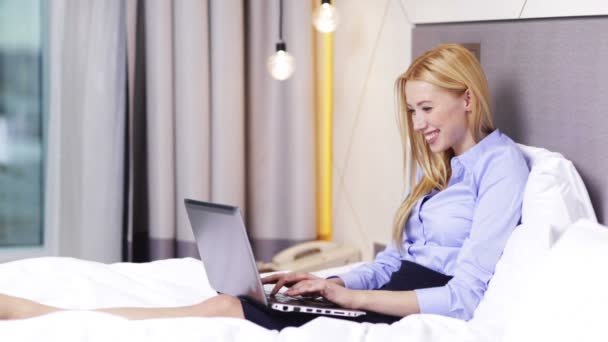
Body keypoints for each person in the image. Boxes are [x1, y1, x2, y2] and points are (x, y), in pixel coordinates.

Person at [0, 44, 528, 329]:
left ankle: (44, 316)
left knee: (224, 310)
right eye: (412, 110)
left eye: (426, 109)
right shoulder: (433, 168)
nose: (417, 124)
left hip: (412, 301)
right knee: (237, 297)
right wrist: (327, 280)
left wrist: (352, 297)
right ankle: (53, 313)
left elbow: (463, 296)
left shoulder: (501, 166)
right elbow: (392, 259)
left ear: (468, 99)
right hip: (387, 286)